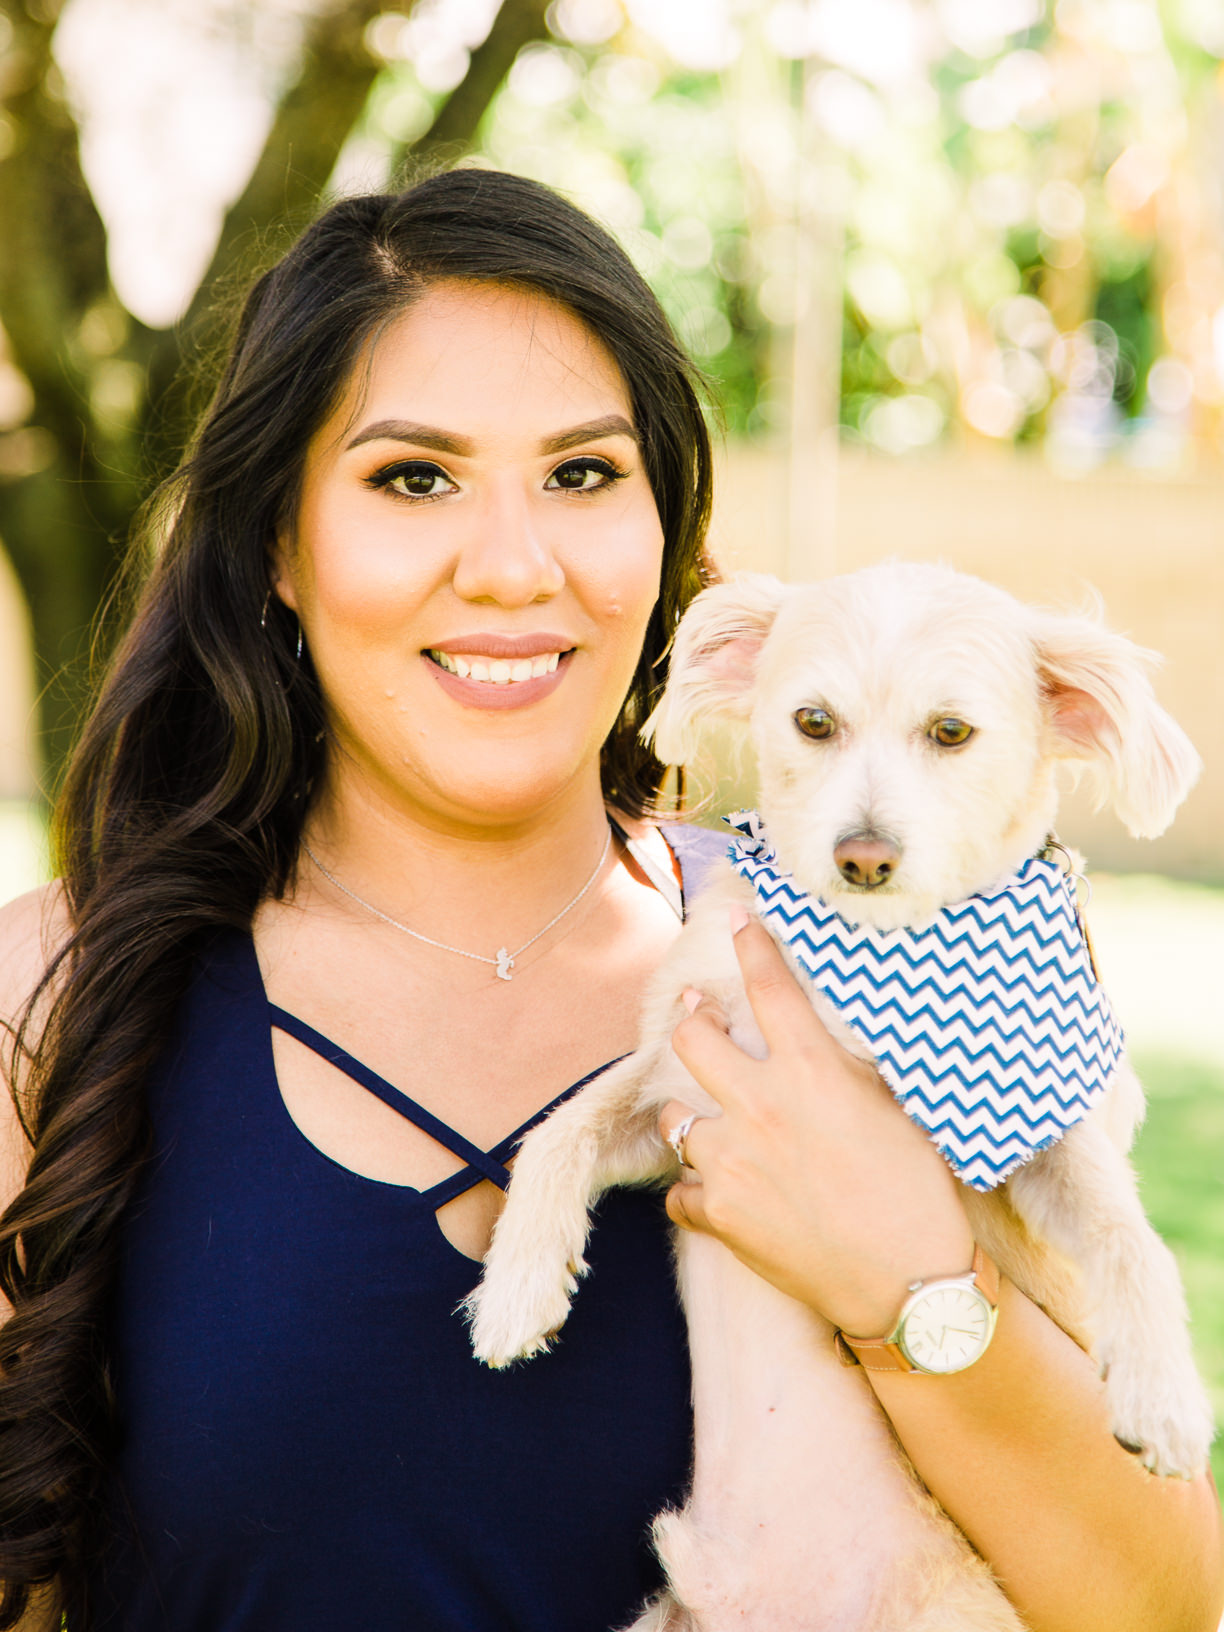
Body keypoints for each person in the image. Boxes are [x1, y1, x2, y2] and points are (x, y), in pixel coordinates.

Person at [0, 167, 1218, 1632]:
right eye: (412, 478)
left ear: (663, 533)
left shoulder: (895, 959)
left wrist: (912, 1288)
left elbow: (1164, 1605)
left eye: (584, 475)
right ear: (279, 542)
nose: (514, 567)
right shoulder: (52, 997)